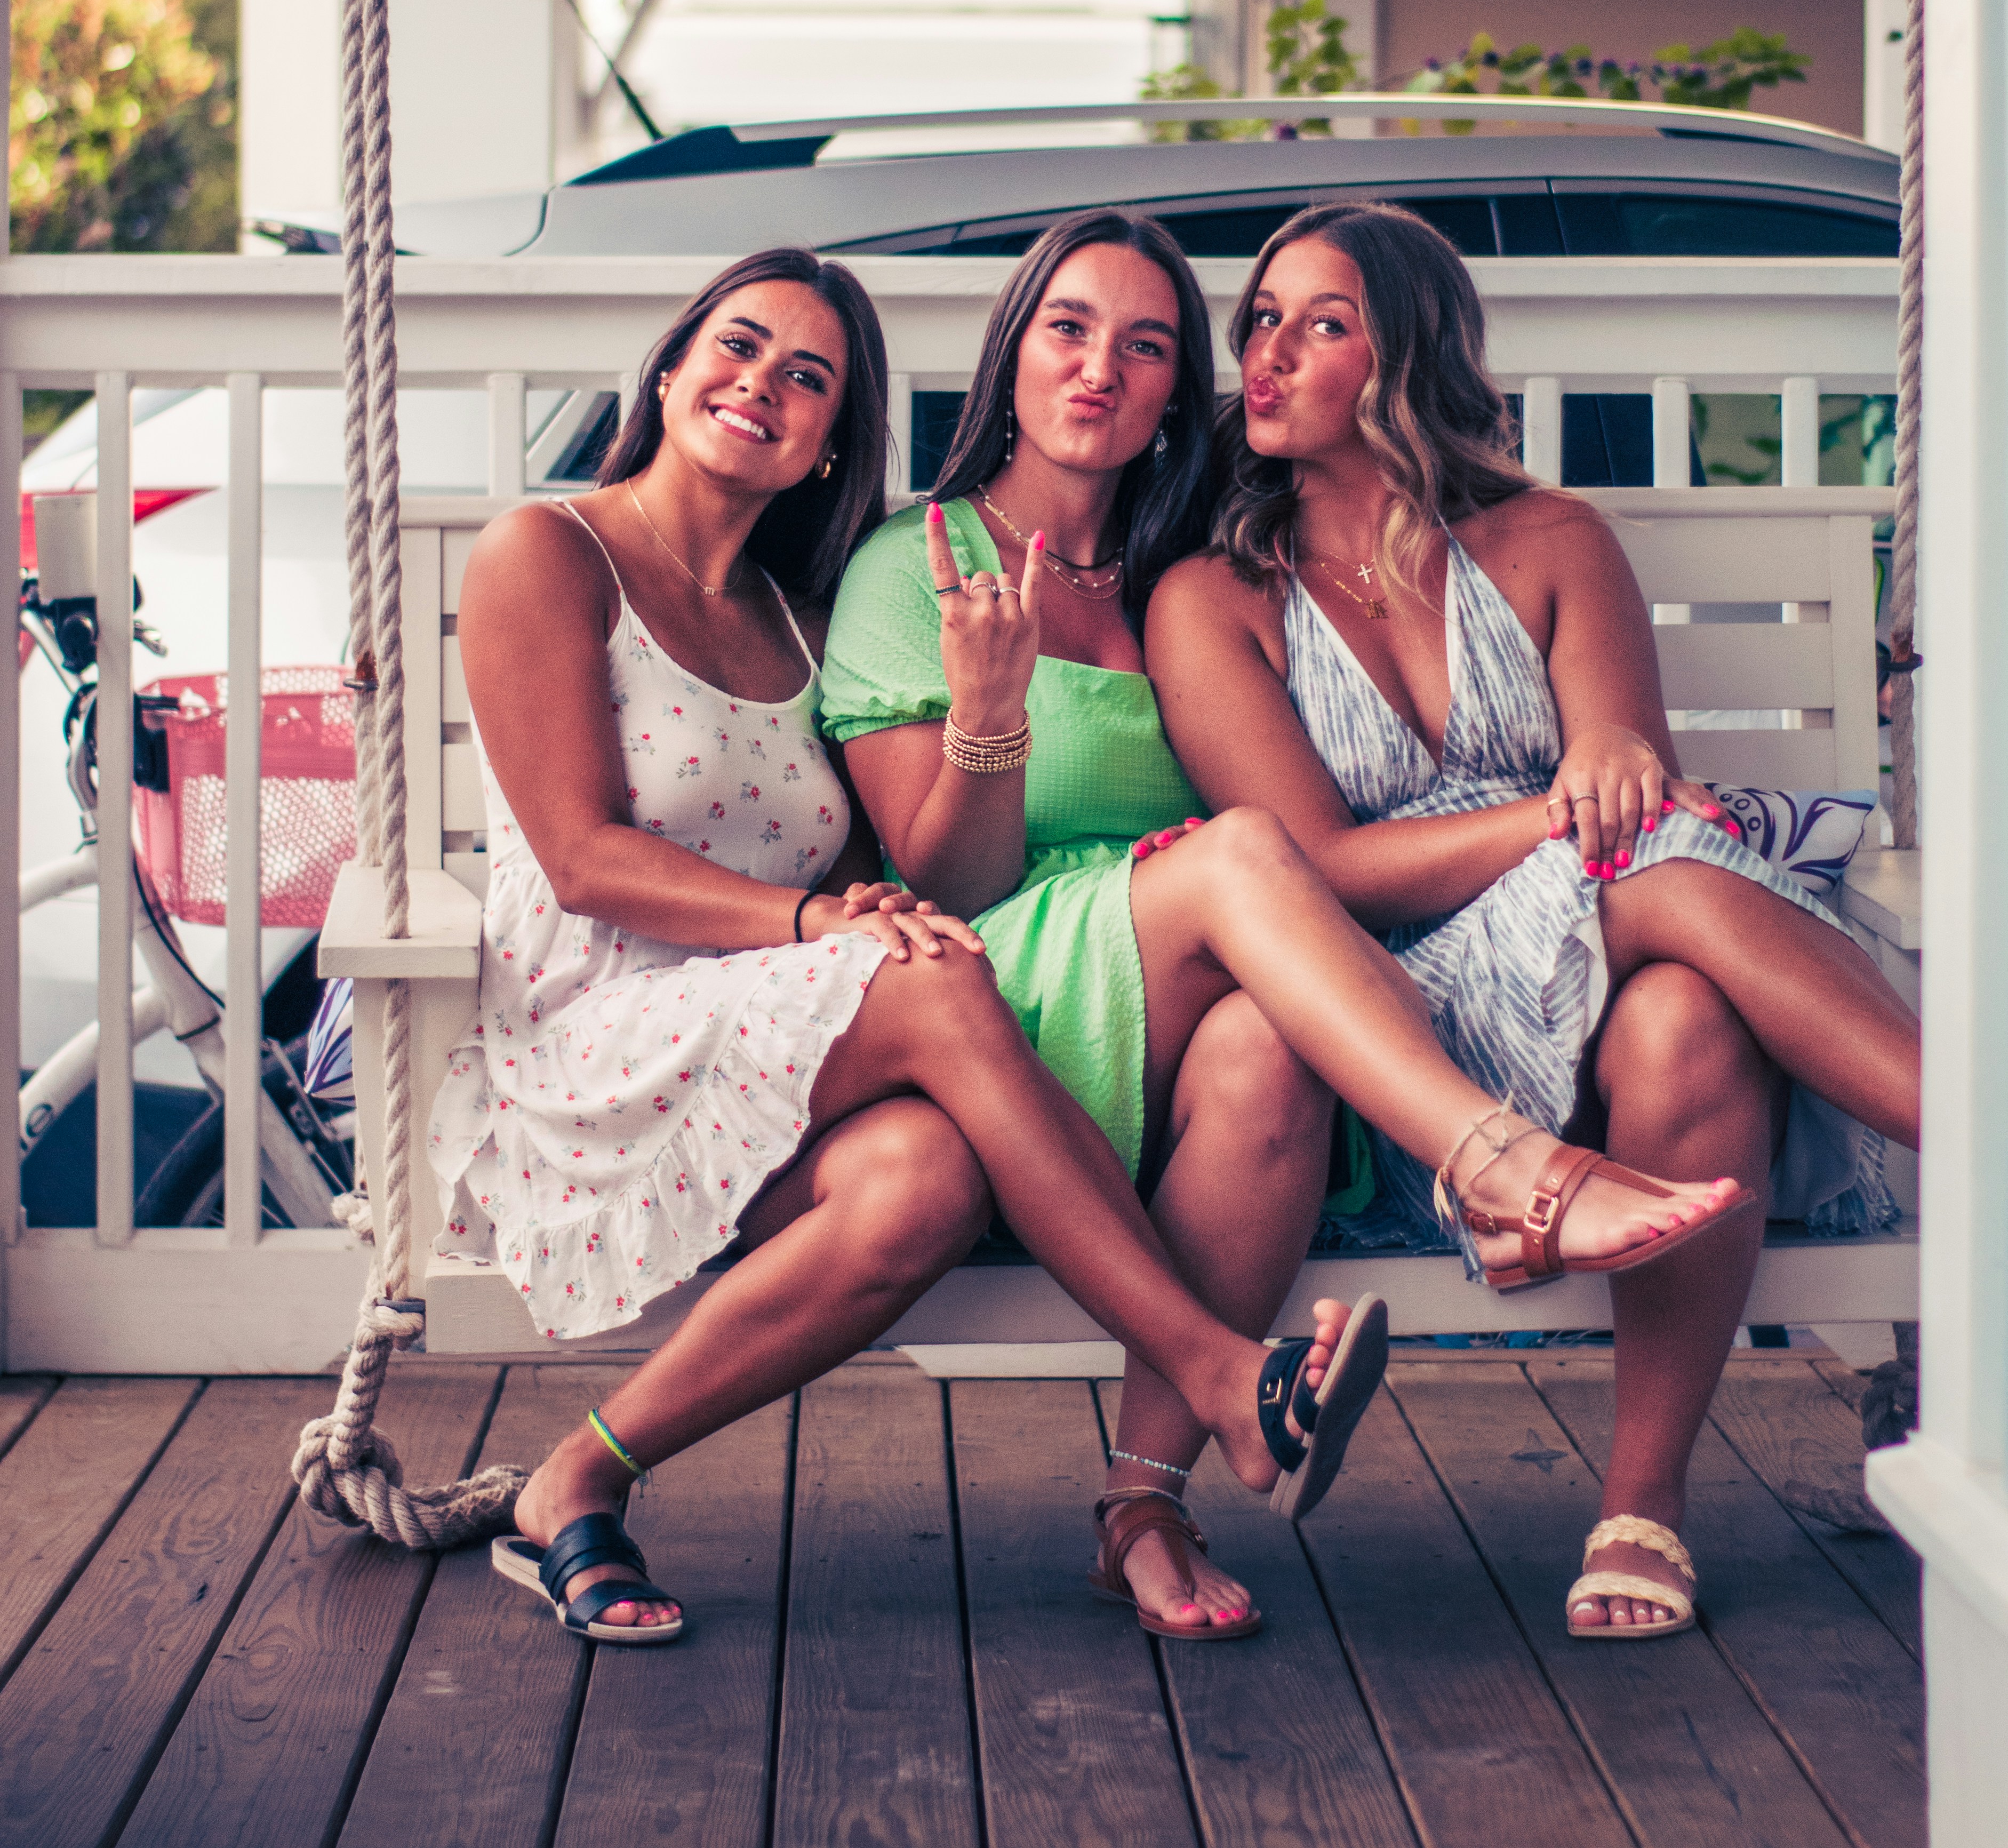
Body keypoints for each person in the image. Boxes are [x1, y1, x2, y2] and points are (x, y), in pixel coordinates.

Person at [825, 211, 1751, 1644]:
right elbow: (950, 889)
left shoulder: (1182, 555)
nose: (1102, 373)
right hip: (1003, 999)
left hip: (1234, 971)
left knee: (1269, 1040)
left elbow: (1382, 606)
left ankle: (1144, 1500)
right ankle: (1502, 1170)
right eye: (1068, 332)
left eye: (1146, 347)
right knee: (1247, 855)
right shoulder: (920, 565)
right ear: (1010, 353)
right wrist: (991, 717)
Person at [433, 245, 1363, 1651]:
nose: (761, 387)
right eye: (737, 349)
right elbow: (584, 857)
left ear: (828, 448)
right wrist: (823, 923)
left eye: (807, 379)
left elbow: (893, 865)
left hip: (774, 1044)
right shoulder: (549, 553)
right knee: (932, 976)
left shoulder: (802, 622)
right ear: (670, 368)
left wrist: (919, 824)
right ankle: (1220, 1373)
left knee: (926, 1182)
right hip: (597, 1034)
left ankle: (576, 1476)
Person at [1144, 197, 1922, 1642]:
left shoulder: (1553, 539)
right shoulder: (1215, 596)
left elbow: (1629, 781)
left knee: (1688, 1011)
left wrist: (1591, 812)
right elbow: (1315, 864)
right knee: (1664, 873)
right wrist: (1552, 819)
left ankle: (1644, 1508)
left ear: (1408, 357)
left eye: (1324, 325)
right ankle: (1975, 1131)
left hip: (1622, 960)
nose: (1269, 354)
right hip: (1393, 1015)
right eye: (1261, 320)